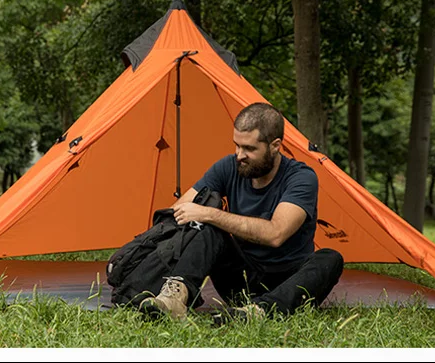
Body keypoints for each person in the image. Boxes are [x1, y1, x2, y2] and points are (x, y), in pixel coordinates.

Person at [138, 102, 344, 322]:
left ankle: (260, 311)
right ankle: (173, 300)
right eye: (237, 145)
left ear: (275, 146)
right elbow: (180, 210)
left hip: (290, 281)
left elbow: (276, 234)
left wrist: (209, 214)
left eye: (249, 149)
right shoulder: (228, 166)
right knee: (206, 228)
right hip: (241, 280)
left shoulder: (301, 178)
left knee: (331, 258)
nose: (239, 155)